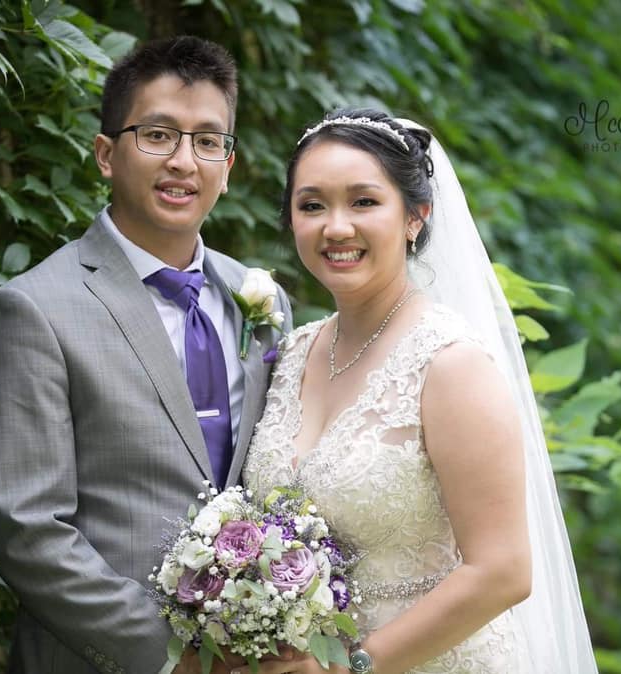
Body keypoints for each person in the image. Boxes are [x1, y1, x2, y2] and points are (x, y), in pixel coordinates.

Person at [0, 36, 291, 674]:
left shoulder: (261, 299)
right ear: (106, 154)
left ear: (228, 165)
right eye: (158, 135)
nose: (184, 161)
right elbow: (28, 529)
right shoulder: (32, 311)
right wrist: (176, 660)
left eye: (207, 141)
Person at [241, 109, 598, 673]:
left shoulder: (450, 364)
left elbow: (503, 570)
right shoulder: (291, 354)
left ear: (416, 216)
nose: (336, 227)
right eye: (312, 206)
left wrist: (349, 667)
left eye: (363, 201)